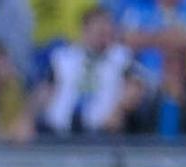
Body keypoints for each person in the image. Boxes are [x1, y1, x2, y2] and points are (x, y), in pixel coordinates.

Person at [40, 5, 133, 134]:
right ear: (85, 30)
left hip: (102, 131)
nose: (104, 37)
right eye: (100, 32)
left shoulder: (122, 58)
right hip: (58, 131)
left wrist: (119, 110)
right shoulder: (63, 57)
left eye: (108, 31)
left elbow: (134, 88)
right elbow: (45, 91)